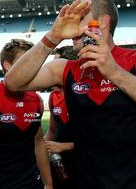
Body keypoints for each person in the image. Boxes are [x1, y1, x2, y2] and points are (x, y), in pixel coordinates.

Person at [4, 0, 136, 188]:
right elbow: (14, 83)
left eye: (79, 17)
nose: (71, 24)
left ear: (102, 22)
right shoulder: (65, 68)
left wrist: (114, 72)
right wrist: (53, 36)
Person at [0, 39, 52, 189]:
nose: (31, 67)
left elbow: (38, 141)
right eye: (24, 62)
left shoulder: (36, 99)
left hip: (33, 182)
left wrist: (48, 182)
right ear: (7, 65)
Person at [44, 46, 77, 189]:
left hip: (85, 165)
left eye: (56, 65)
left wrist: (63, 146)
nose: (52, 69)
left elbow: (97, 140)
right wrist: (41, 147)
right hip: (60, 165)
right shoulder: (53, 96)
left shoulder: (86, 95)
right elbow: (52, 130)